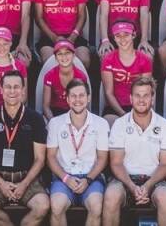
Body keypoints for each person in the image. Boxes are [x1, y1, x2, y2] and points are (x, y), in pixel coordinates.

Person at [0, 70, 49, 226]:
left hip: (27, 178)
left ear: (23, 91)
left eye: (17, 87)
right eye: (8, 87)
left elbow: (40, 159)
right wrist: (1, 183)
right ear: (1, 90)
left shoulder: (35, 119)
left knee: (42, 206)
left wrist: (24, 184)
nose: (12, 91)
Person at [102, 77, 166, 226]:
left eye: (146, 95)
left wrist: (147, 185)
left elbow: (165, 164)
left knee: (165, 197)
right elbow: (116, 163)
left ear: (152, 98)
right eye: (137, 95)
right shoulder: (119, 124)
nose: (141, 100)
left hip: (156, 179)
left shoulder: (165, 125)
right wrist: (132, 186)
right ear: (130, 98)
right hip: (125, 179)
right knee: (111, 195)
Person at [45, 78, 109, 226]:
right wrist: (66, 178)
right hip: (63, 178)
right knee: (56, 205)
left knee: (96, 206)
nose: (77, 100)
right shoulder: (55, 123)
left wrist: (88, 179)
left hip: (91, 178)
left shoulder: (101, 124)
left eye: (81, 95)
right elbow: (51, 157)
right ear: (67, 99)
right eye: (73, 96)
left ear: (88, 98)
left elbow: (102, 158)